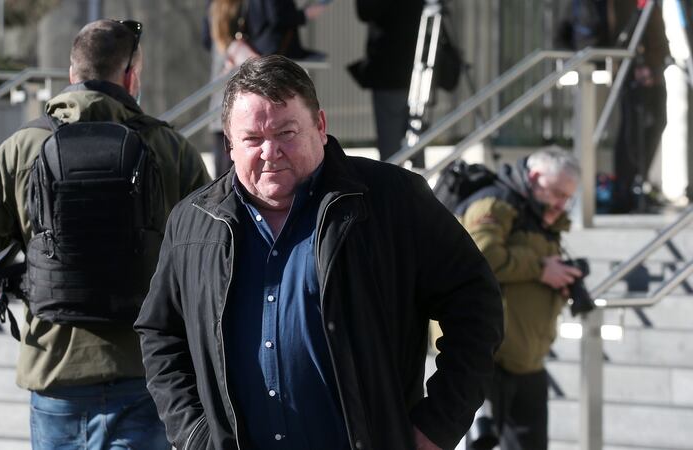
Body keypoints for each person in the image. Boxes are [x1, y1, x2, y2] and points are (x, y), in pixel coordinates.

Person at [134, 55, 503, 450]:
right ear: (229, 144)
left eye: (286, 133)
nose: (269, 151)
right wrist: (194, 434)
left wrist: (437, 425)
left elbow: (475, 302)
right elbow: (161, 334)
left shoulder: (390, 201)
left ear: (321, 127)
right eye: (252, 139)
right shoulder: (193, 223)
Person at [0, 19, 211, 450]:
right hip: (147, 373)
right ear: (131, 76)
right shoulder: (170, 148)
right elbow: (210, 258)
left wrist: (22, 233)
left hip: (56, 375)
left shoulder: (26, 148)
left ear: (71, 75)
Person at [456, 148, 583, 450]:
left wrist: (559, 282)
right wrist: (540, 268)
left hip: (528, 359)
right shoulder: (495, 203)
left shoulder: (541, 215)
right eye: (557, 193)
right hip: (488, 359)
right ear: (535, 177)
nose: (562, 204)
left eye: (568, 198)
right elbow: (480, 257)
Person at [203, 0, 328, 177]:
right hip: (258, 73)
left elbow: (206, 39)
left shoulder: (215, 7)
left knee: (228, 167)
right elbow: (277, 16)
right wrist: (305, 14)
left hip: (224, 74)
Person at [609, 0, 670, 213]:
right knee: (632, 130)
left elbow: (654, 28)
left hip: (654, 65)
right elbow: (625, 28)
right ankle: (626, 190)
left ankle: (638, 183)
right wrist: (639, 64)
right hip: (633, 69)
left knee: (657, 121)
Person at [349, 0, 425, 166]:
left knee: (391, 142)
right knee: (415, 131)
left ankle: (396, 187)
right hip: (418, 66)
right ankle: (418, 185)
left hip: (391, 70)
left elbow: (366, 11)